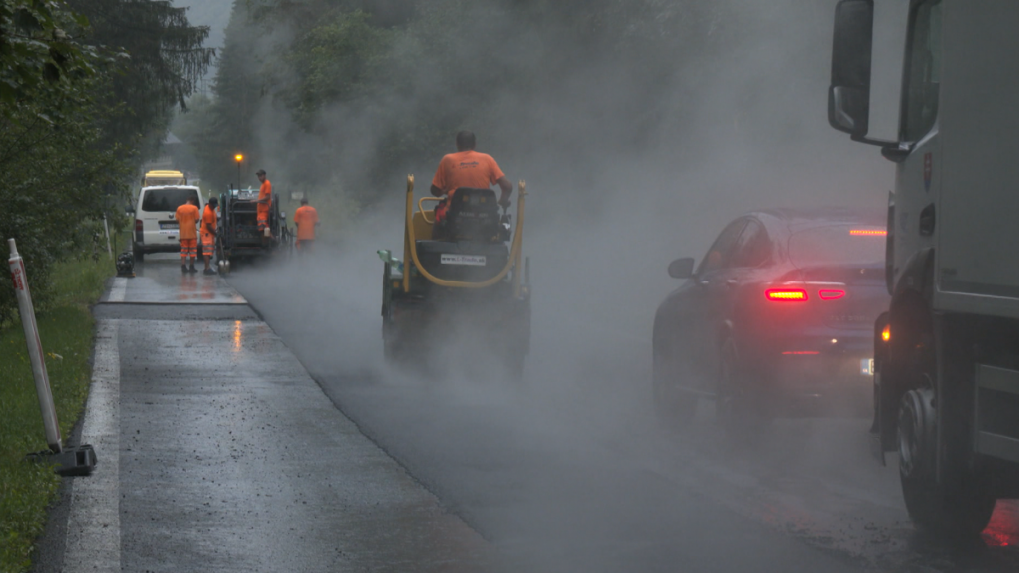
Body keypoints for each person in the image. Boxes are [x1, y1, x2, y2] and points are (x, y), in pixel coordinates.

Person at [430, 131, 512, 221]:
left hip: (454, 218)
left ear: (457, 144)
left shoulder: (447, 160)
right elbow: (507, 186)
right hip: (484, 218)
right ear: (474, 145)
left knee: (438, 217)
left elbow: (435, 191)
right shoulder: (487, 159)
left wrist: (447, 190)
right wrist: (503, 200)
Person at [175, 196, 201, 273]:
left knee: (183, 251)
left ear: (186, 200)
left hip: (183, 234)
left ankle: (183, 267)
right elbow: (196, 219)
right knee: (192, 251)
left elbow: (177, 220)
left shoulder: (179, 208)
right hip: (192, 234)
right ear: (192, 200)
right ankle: (191, 267)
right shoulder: (194, 208)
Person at [200, 196, 218, 275]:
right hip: (207, 233)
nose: (214, 207)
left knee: (209, 251)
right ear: (210, 204)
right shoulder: (208, 212)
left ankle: (207, 268)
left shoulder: (210, 208)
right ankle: (207, 269)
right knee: (207, 252)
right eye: (213, 205)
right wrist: (216, 233)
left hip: (209, 233)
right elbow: (208, 226)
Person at [256, 169, 272, 245]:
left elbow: (267, 197)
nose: (259, 177)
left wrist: (257, 201)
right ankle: (265, 243)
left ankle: (271, 241)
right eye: (258, 176)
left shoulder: (267, 183)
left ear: (264, 175)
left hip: (264, 210)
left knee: (264, 228)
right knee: (262, 229)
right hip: (260, 211)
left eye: (260, 176)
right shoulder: (262, 184)